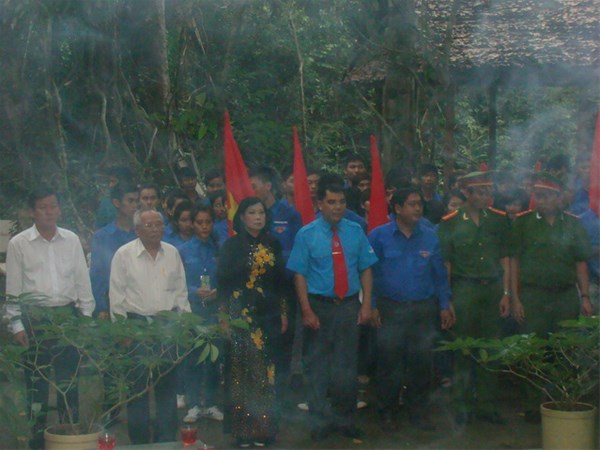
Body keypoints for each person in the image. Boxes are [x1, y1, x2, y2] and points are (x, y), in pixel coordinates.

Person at [287, 173, 378, 442]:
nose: (337, 207)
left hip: (348, 306)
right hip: (319, 306)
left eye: (341, 202)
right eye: (331, 202)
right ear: (320, 204)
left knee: (346, 367)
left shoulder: (355, 231)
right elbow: (299, 274)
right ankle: (320, 422)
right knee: (317, 366)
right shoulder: (307, 234)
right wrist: (306, 310)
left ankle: (345, 420)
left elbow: (366, 269)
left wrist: (366, 305)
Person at [5, 186, 95, 449]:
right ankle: (37, 442)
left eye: (53, 206)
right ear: (32, 212)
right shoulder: (19, 243)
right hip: (35, 320)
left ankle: (69, 440)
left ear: (60, 209)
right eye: (43, 207)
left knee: (70, 384)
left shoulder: (71, 240)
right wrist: (16, 324)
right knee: (36, 386)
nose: (49, 212)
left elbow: (82, 281)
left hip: (67, 317)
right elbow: (13, 289)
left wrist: (85, 319)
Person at [369, 187, 453, 432]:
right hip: (390, 309)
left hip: (423, 310)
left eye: (420, 204)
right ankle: (387, 411)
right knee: (389, 363)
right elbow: (368, 274)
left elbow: (439, 275)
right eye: (412, 204)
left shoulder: (430, 236)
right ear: (397, 208)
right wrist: (371, 306)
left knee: (422, 363)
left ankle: (418, 412)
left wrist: (445, 305)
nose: (418, 208)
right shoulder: (378, 236)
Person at [109, 209, 190, 444]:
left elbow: (181, 292)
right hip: (136, 327)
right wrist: (122, 332)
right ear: (137, 230)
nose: (156, 229)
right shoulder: (124, 255)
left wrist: (185, 326)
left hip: (168, 327)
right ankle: (140, 443)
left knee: (167, 389)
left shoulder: (172, 252)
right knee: (138, 389)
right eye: (149, 225)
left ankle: (166, 442)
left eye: (159, 224)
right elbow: (116, 296)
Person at [437, 170, 511, 425]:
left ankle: (487, 406)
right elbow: (446, 264)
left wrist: (506, 293)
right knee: (463, 348)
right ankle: (461, 406)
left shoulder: (499, 220)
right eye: (480, 192)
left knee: (491, 347)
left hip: (493, 289)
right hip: (464, 289)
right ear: (466, 193)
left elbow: (505, 258)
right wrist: (448, 300)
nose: (486, 196)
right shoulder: (450, 222)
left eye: (488, 191)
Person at [217, 197, 288, 448]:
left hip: (268, 316)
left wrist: (283, 312)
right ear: (242, 217)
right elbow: (223, 285)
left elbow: (281, 283)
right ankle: (242, 431)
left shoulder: (273, 244)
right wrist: (224, 318)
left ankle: (264, 429)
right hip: (239, 317)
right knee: (241, 374)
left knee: (266, 374)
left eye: (261, 212)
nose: (258, 217)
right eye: (252, 212)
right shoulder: (231, 246)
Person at [509, 174, 593, 335]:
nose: (541, 201)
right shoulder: (523, 223)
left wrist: (585, 296)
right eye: (538, 196)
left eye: (546, 196)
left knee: (566, 343)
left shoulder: (573, 224)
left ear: (558, 197)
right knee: (533, 343)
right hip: (533, 296)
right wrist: (515, 298)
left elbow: (580, 262)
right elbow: (514, 262)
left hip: (565, 296)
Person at [179, 205, 224, 423]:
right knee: (193, 359)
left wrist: (219, 291)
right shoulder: (183, 250)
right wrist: (193, 291)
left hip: (214, 311)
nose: (204, 227)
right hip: (192, 310)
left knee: (214, 359)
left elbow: (226, 277)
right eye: (199, 222)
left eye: (208, 222)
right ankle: (194, 404)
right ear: (192, 224)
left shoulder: (219, 249)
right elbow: (177, 282)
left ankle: (211, 403)